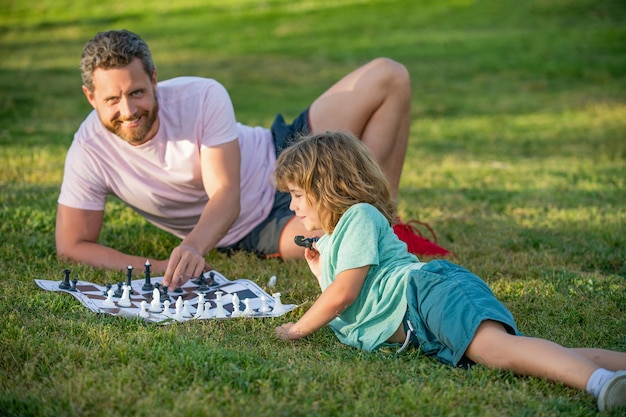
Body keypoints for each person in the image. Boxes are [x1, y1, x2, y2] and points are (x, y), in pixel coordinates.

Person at [55, 29, 449, 290]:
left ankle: (384, 219)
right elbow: (72, 244)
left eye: (137, 92)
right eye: (111, 99)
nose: (128, 109)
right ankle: (369, 225)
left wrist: (192, 248)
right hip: (258, 225)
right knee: (342, 241)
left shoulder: (202, 95)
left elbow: (225, 191)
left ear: (155, 78)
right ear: (91, 98)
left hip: (283, 151)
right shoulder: (89, 151)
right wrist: (159, 265)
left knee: (388, 75)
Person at [272, 131, 626, 411]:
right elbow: (347, 297)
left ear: (328, 187)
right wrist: (322, 271)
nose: (292, 206)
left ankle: (600, 385)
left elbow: (344, 294)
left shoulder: (358, 216)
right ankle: (612, 370)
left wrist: (297, 329)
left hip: (427, 294)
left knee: (499, 351)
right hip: (422, 318)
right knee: (513, 355)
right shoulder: (335, 237)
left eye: (298, 195)